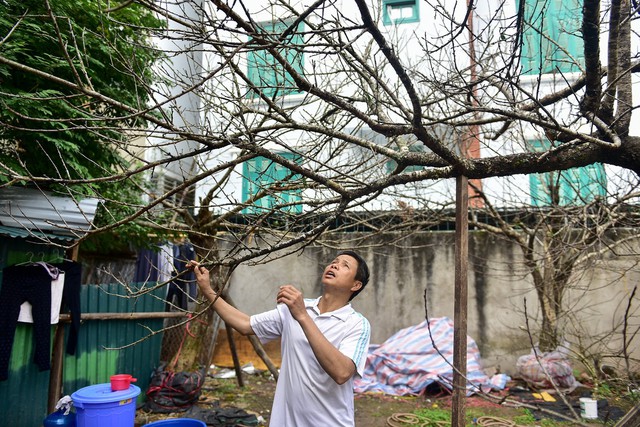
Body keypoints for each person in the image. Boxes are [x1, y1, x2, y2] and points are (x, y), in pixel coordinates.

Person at [189, 250, 371, 426]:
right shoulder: (294, 309)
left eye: (344, 265)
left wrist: (302, 316)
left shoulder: (356, 324)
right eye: (334, 262)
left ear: (355, 285)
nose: (335, 265)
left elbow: (342, 373)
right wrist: (207, 289)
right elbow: (245, 324)